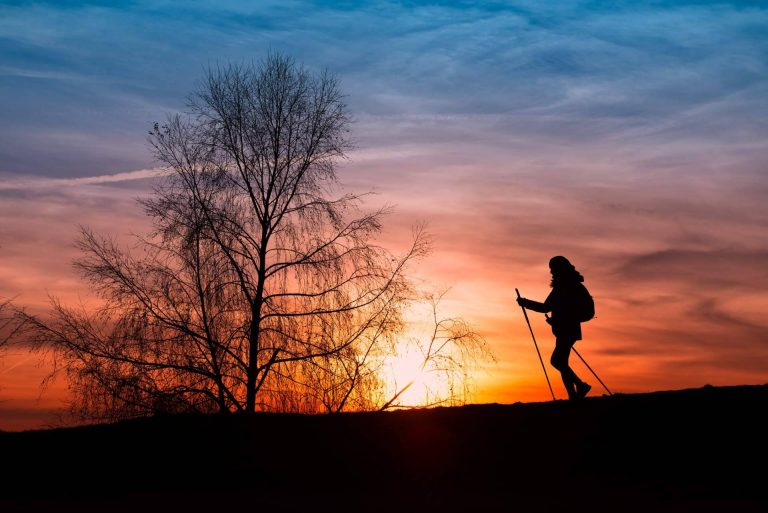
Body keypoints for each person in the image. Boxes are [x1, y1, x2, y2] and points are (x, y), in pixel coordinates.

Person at [517, 256, 591, 400]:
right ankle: (573, 395)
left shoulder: (564, 286)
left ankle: (580, 385)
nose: (551, 272)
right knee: (562, 362)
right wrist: (555, 320)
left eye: (553, 268)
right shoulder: (572, 284)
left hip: (567, 329)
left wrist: (525, 302)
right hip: (567, 328)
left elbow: (546, 307)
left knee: (557, 361)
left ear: (559, 269)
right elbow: (562, 308)